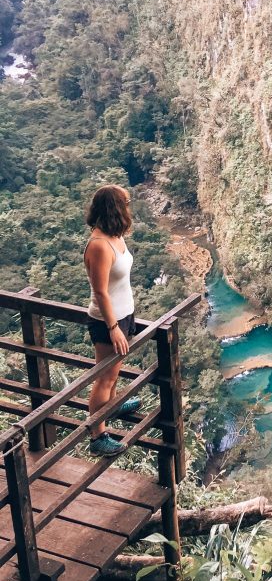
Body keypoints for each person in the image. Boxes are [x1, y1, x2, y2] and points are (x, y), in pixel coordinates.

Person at [83, 184, 141, 456]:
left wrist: (126, 318)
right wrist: (114, 327)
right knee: (104, 378)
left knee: (114, 373)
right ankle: (98, 436)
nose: (129, 207)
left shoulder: (116, 236)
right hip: (108, 322)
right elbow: (101, 292)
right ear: (115, 208)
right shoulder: (99, 245)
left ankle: (114, 406)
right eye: (126, 203)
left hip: (124, 315)